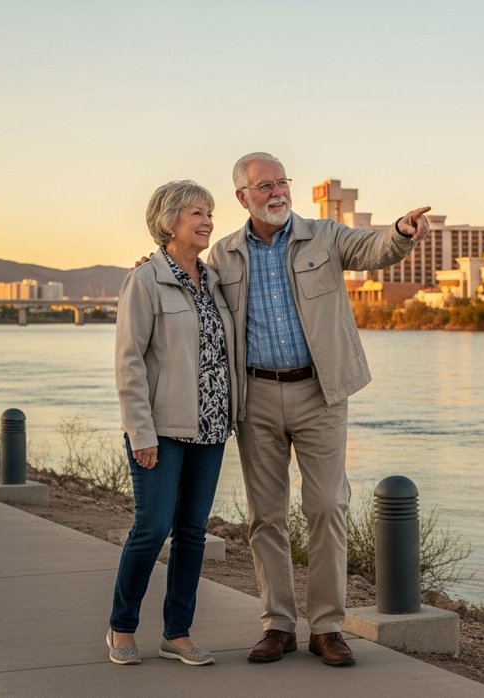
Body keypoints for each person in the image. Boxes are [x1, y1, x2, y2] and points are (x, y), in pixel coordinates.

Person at [206, 152, 428, 666]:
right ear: (242, 197)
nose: (278, 191)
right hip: (255, 396)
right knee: (266, 516)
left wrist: (401, 229)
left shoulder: (325, 236)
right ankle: (277, 624)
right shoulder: (224, 255)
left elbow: (375, 248)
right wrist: (153, 266)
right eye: (265, 186)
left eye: (283, 182)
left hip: (320, 393)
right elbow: (190, 284)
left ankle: (327, 626)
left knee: (328, 504)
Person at [109, 180, 237, 667]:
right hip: (161, 428)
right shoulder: (144, 280)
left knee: (192, 531)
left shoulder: (215, 280)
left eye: (209, 213)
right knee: (152, 527)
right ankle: (122, 626)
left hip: (210, 428)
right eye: (196, 214)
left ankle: (177, 633)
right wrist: (140, 432)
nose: (207, 222)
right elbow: (130, 362)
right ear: (168, 222)